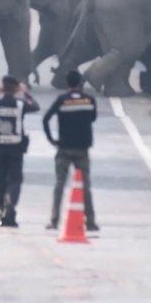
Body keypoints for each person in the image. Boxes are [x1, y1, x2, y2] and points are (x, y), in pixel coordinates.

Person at [43, 70, 98, 232]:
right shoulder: (90, 100)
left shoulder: (62, 100)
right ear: (81, 84)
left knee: (59, 184)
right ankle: (91, 222)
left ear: (67, 84)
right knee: (85, 186)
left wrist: (51, 139)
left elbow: (46, 119)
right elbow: (93, 118)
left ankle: (54, 220)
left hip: (64, 147)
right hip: (82, 149)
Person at [0, 76, 39, 228]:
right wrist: (25, 93)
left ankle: (3, 212)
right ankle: (10, 205)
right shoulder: (20, 104)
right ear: (15, 89)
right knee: (15, 181)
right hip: (15, 149)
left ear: (2, 88)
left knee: (0, 183)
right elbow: (36, 106)